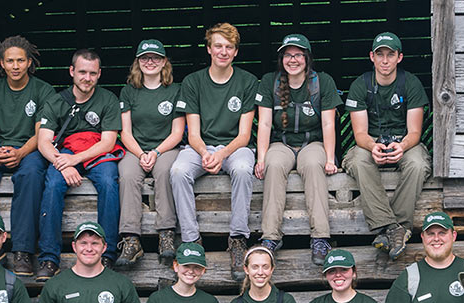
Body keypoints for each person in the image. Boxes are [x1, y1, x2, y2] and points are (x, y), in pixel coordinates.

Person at [170, 22, 259, 279]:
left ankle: (238, 239)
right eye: (218, 46)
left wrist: (221, 155)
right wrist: (206, 153)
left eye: (229, 47)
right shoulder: (193, 82)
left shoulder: (247, 81)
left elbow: (244, 135)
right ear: (209, 49)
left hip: (235, 146)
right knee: (178, 170)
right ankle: (191, 240)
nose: (223, 51)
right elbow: (193, 133)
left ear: (236, 52)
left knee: (243, 169)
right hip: (200, 146)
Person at [0, 35, 56, 276]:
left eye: (20, 61)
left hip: (30, 150)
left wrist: (20, 152)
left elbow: (42, 134)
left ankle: (23, 251)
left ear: (29, 62)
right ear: (2, 63)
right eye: (10, 61)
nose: (15, 66)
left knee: (32, 174)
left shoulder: (43, 90)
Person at [341, 32, 430, 260]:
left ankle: (393, 227)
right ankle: (393, 228)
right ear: (372, 57)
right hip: (371, 142)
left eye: (390, 55)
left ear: (399, 57)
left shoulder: (410, 83)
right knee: (358, 161)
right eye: (380, 54)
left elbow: (415, 132)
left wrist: (402, 146)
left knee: (418, 164)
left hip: (404, 142)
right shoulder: (360, 85)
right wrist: (372, 146)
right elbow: (360, 133)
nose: (385, 60)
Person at [254, 33, 341, 265]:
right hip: (280, 142)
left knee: (314, 165)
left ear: (307, 58)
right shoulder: (269, 82)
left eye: (298, 55)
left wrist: (330, 158)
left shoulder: (322, 82)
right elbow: (263, 122)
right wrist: (261, 158)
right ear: (282, 58)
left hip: (312, 142)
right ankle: (271, 236)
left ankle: (320, 237)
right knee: (273, 165)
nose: (293, 60)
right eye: (288, 55)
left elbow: (328, 123)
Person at [35, 48, 124, 275]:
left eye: (92, 73)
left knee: (108, 181)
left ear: (99, 74)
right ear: (72, 71)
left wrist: (73, 161)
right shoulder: (56, 101)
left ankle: (108, 254)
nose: (87, 78)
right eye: (82, 72)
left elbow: (108, 142)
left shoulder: (108, 99)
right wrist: (62, 164)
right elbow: (44, 141)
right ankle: (48, 259)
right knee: (53, 184)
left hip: (95, 153)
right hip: (63, 154)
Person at [115, 39, 186, 267]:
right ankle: (131, 238)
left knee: (166, 170)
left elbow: (177, 132)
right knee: (126, 174)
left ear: (164, 61)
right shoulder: (129, 91)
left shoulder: (175, 90)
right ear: (138, 62)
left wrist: (155, 152)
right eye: (145, 58)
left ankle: (166, 234)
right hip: (135, 148)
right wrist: (141, 153)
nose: (150, 62)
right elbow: (125, 133)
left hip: (166, 147)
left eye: (156, 57)